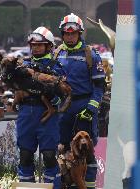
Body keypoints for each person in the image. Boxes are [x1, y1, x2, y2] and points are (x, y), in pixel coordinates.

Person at [55, 13, 105, 189]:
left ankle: (89, 186)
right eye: (66, 33)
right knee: (62, 150)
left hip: (84, 108)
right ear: (62, 34)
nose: (70, 36)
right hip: (63, 109)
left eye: (73, 33)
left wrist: (91, 108)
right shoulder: (56, 53)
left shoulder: (91, 54)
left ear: (79, 34)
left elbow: (100, 86)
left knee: (87, 154)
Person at [16, 26, 65, 188]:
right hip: (26, 113)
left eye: (40, 44)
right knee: (25, 155)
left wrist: (52, 95)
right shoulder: (22, 65)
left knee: (50, 156)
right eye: (33, 45)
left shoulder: (56, 66)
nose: (35, 47)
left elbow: (62, 96)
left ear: (49, 46)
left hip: (47, 115)